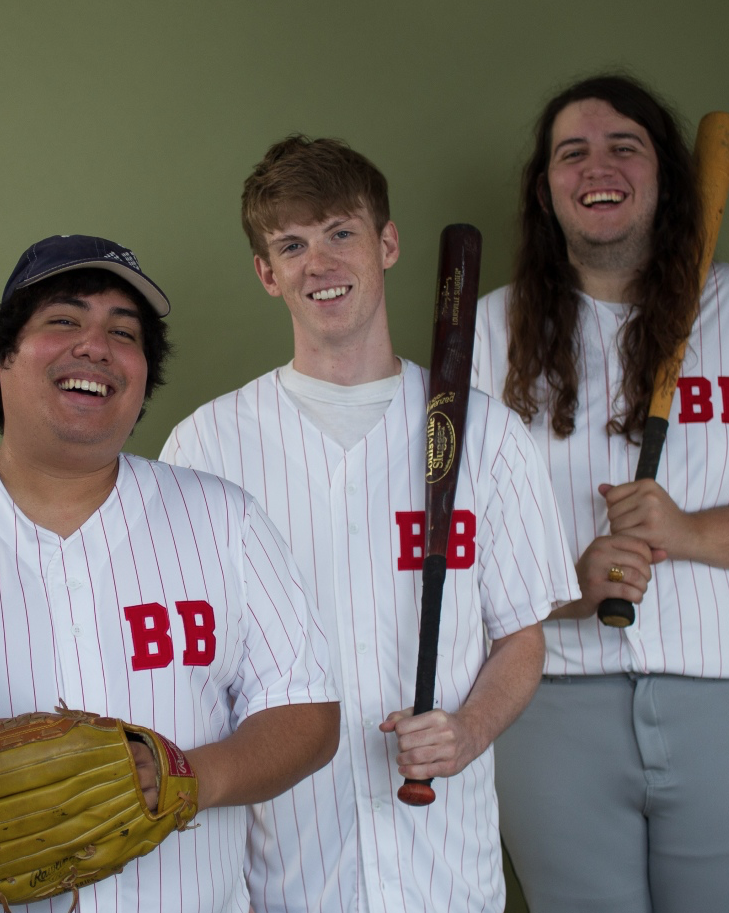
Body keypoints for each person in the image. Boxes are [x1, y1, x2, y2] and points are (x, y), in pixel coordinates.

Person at [0, 234, 341, 913]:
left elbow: (307, 713)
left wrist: (185, 776)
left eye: (124, 333)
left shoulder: (224, 520)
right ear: (1, 358)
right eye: (63, 320)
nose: (95, 345)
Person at [160, 137, 578, 913]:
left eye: (340, 233)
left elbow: (522, 635)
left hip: (445, 867)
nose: (319, 264)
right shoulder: (205, 446)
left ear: (386, 243)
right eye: (292, 245)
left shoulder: (486, 434)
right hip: (280, 868)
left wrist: (471, 730)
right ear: (265, 272)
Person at [472, 74, 729, 913]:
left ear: (666, 177)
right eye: (571, 153)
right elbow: (454, 533)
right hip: (553, 707)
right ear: (546, 190)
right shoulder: (490, 331)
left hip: (719, 693)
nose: (598, 167)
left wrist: (687, 531)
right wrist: (564, 588)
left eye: (626, 146)